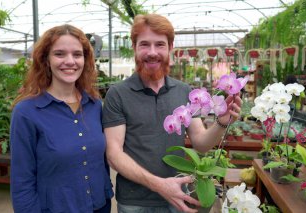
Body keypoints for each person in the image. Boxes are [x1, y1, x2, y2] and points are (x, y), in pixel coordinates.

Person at [102, 14, 242, 213]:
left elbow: (201, 143)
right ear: (134, 48)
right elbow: (114, 154)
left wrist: (221, 122)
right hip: (135, 202)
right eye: (144, 45)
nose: (152, 52)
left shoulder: (184, 91)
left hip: (177, 197)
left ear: (170, 48)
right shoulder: (118, 94)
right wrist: (159, 185)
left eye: (159, 44)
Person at [10, 24, 113, 213]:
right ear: (46, 60)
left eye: (77, 54)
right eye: (59, 54)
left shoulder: (94, 105)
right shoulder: (26, 112)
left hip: (100, 206)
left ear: (85, 60)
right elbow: (22, 180)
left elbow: (101, 162)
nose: (70, 61)